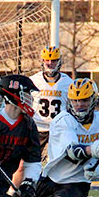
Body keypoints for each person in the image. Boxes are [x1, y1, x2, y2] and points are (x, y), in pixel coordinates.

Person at [11, 46, 72, 187]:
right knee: (22, 165)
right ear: (42, 61)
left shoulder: (68, 83)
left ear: (59, 62)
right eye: (47, 61)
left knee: (54, 166)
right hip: (36, 128)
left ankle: (47, 193)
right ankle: (12, 192)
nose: (50, 64)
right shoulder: (33, 81)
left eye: (54, 61)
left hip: (58, 130)